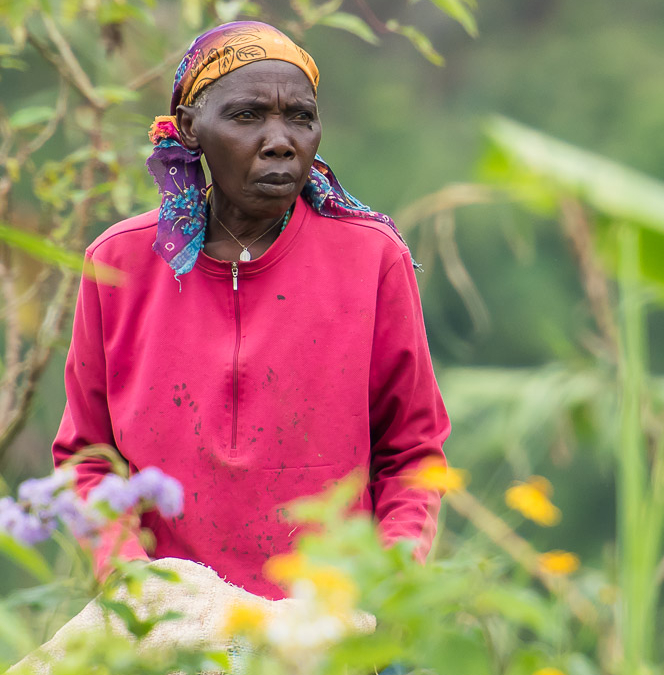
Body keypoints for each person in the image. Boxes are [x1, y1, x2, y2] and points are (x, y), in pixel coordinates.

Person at [52, 21, 450, 600]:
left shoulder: (371, 259)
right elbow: (87, 462)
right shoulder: (118, 264)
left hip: (333, 623)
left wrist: (386, 586)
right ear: (189, 130)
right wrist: (136, 584)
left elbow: (412, 454)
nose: (280, 139)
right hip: (168, 625)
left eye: (301, 118)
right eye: (246, 116)